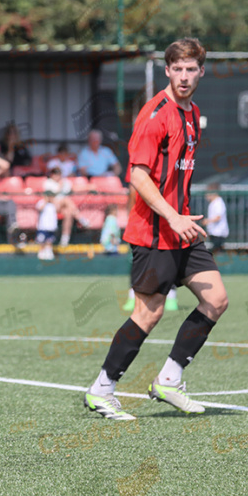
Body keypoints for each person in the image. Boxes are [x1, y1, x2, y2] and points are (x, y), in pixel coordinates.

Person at [85, 37, 228, 420]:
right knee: (149, 313)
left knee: (216, 300)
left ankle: (169, 379)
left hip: (181, 227)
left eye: (191, 69)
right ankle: (102, 389)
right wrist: (173, 216)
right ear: (167, 71)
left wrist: (183, 217)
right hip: (154, 230)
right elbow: (138, 176)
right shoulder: (155, 113)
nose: (184, 76)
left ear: (201, 71)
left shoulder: (193, 113)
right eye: (177, 69)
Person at [43, 166, 85, 247]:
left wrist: (89, 186)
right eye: (55, 174)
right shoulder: (48, 183)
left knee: (68, 213)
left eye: (58, 174)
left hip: (63, 207)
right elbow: (51, 197)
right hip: (52, 206)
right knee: (66, 199)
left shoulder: (66, 182)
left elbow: (74, 188)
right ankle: (80, 218)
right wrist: (60, 186)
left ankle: (64, 239)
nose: (57, 176)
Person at [206, 184, 228, 252]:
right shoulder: (213, 203)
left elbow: (218, 217)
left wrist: (207, 221)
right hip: (214, 232)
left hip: (219, 232)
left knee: (216, 250)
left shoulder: (218, 202)